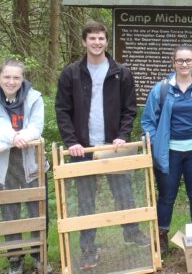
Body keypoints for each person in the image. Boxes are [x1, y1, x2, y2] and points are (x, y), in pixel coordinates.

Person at [55, 21, 148, 270]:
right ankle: (88, 247)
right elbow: (62, 111)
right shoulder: (71, 73)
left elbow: (130, 110)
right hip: (82, 149)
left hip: (113, 146)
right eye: (92, 38)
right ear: (84, 41)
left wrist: (122, 136)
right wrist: (72, 141)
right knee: (86, 200)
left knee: (124, 192)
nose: (97, 43)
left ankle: (132, 233)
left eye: (101, 38)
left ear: (107, 41)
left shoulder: (121, 72)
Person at [141, 45, 192, 254]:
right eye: (180, 61)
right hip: (169, 153)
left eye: (188, 60)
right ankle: (162, 237)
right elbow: (148, 120)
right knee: (167, 196)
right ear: (173, 63)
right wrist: (156, 142)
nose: (184, 64)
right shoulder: (162, 89)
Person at [0, 59, 51, 274]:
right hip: (4, 166)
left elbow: (35, 129)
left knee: (38, 212)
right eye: (7, 77)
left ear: (23, 79)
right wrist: (12, 138)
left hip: (31, 162)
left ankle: (40, 257)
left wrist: (5, 140)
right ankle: (15, 260)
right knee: (10, 214)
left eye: (16, 77)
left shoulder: (34, 98)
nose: (11, 81)